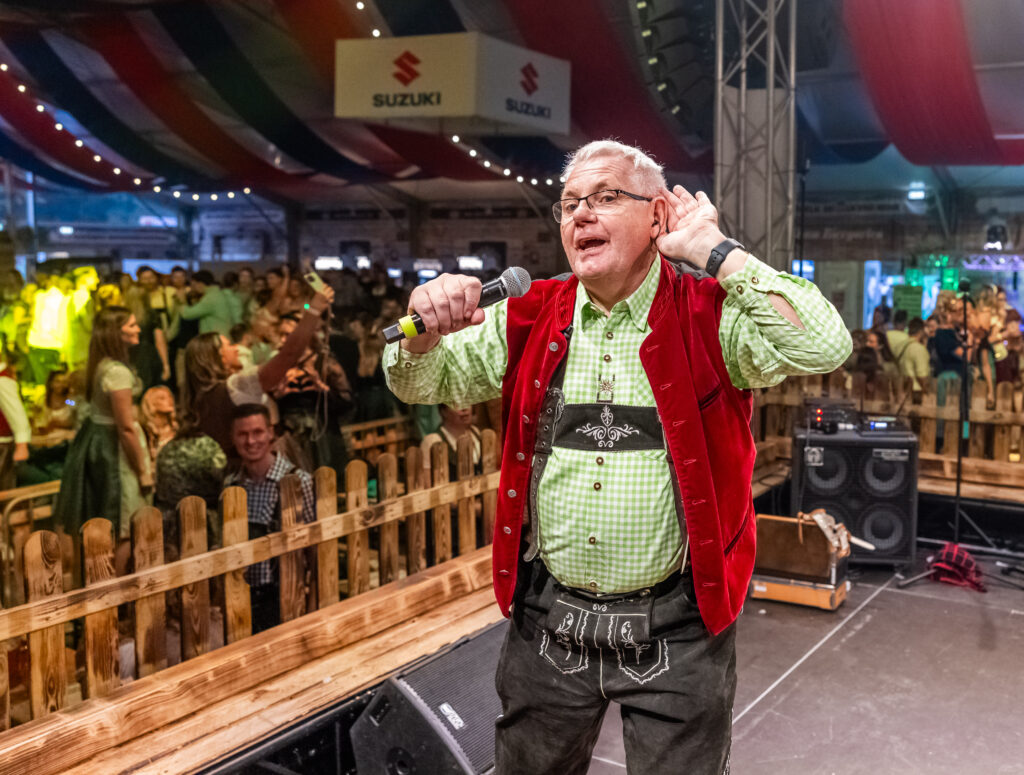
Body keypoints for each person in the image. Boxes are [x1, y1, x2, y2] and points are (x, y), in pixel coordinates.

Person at [383, 140, 851, 774]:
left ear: (657, 216)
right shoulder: (528, 313)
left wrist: (714, 250)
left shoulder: (708, 315)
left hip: (679, 629)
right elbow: (419, 382)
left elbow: (824, 344)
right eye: (569, 202)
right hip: (548, 621)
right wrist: (423, 333)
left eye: (605, 197)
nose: (580, 214)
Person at [54, 306, 152, 579]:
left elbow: (77, 402)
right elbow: (125, 426)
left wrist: (64, 401)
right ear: (115, 333)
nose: (138, 329)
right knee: (122, 525)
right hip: (112, 450)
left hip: (93, 442)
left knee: (101, 525)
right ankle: (114, 590)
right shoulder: (117, 372)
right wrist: (143, 471)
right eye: (131, 325)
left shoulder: (99, 366)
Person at [182, 285, 334, 460]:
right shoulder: (236, 385)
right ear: (218, 357)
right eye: (228, 346)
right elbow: (289, 355)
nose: (236, 349)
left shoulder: (200, 398)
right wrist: (314, 309)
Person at [223, 403, 315, 633]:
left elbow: (314, 547)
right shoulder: (231, 486)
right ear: (233, 438)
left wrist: (314, 598)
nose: (251, 441)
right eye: (243, 434)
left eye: (257, 432)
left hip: (286, 595)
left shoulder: (298, 481)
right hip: (242, 598)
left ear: (270, 433)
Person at [180, 270, 233, 335]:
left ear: (200, 284)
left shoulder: (210, 298)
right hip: (220, 335)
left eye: (194, 285)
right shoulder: (215, 294)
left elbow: (187, 314)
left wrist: (182, 301)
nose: (193, 289)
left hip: (216, 338)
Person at [897, 317, 931, 393]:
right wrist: (927, 392)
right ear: (921, 331)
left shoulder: (901, 345)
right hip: (916, 392)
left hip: (903, 390)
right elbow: (922, 376)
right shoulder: (918, 349)